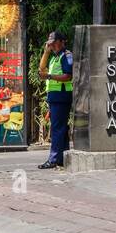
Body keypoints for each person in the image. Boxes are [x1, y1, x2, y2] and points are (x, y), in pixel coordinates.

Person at [38, 31, 73, 169]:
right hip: (55, 97)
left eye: (53, 43)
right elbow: (41, 69)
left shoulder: (66, 56)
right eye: (50, 44)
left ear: (61, 41)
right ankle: (61, 158)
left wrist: (49, 77)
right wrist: (46, 53)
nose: (51, 46)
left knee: (57, 128)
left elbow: (68, 76)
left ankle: (53, 159)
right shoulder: (54, 57)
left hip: (61, 96)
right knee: (61, 128)